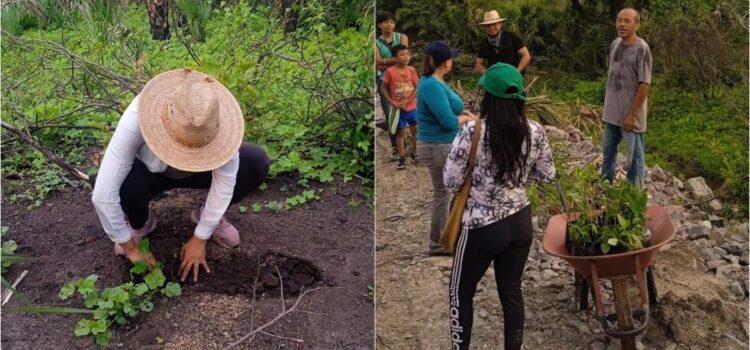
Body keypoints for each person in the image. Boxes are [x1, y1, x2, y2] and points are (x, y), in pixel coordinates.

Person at [91, 68, 271, 283]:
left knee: (255, 161)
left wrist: (200, 237)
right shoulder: (137, 116)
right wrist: (130, 248)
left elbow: (225, 184)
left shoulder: (217, 123)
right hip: (152, 172)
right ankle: (140, 223)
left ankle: (207, 215)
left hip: (200, 172)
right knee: (124, 180)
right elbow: (102, 194)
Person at [443, 62, 555, 350]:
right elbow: (547, 175)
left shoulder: (472, 132)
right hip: (520, 223)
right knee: (511, 291)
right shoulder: (535, 130)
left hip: (481, 227)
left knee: (460, 291)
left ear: (488, 97)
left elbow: (451, 181)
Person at [416, 41, 477, 256]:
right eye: (450, 58)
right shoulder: (431, 85)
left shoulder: (437, 82)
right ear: (445, 62)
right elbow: (448, 122)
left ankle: (449, 236)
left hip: (443, 144)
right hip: (436, 145)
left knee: (450, 192)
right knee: (443, 194)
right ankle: (437, 243)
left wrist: (465, 116)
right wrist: (464, 119)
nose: (452, 61)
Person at [601, 8, 652, 186]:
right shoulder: (615, 43)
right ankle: (605, 185)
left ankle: (635, 192)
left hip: (630, 115)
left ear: (637, 24)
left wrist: (632, 114)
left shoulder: (642, 49)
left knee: (634, 157)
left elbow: (644, 84)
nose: (621, 24)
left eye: (627, 21)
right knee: (607, 151)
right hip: (612, 113)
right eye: (619, 20)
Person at [375, 10, 409, 161]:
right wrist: (394, 60)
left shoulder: (402, 37)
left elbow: (404, 58)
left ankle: (405, 144)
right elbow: (377, 64)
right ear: (379, 25)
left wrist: (384, 61)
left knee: (403, 112)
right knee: (390, 115)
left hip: (402, 81)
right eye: (386, 22)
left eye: (392, 21)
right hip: (384, 82)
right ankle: (396, 147)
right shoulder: (375, 43)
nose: (389, 25)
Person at [380, 44, 419, 170]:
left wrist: (408, 100)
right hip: (398, 109)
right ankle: (401, 158)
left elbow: (417, 88)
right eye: (402, 55)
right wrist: (391, 101)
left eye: (407, 54)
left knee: (415, 130)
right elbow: (383, 87)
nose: (406, 57)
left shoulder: (412, 70)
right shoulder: (390, 72)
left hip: (412, 106)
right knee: (400, 132)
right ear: (395, 58)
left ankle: (415, 152)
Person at [474, 10, 531, 75]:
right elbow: (478, 63)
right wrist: (487, 74)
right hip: (495, 79)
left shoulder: (511, 37)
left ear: (500, 24)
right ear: (485, 27)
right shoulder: (484, 43)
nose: (491, 27)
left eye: (494, 24)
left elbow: (526, 55)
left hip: (513, 79)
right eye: (488, 25)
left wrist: (517, 72)